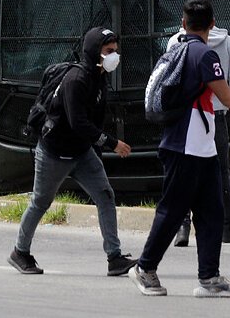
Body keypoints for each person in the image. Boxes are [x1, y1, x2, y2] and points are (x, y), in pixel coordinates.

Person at [130, 0, 230, 298]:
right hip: (185, 146)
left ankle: (209, 278)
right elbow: (228, 98)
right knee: (172, 211)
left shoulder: (179, 48)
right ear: (212, 23)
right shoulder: (204, 55)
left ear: (183, 23)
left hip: (201, 146)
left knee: (211, 211)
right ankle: (144, 268)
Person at [7, 27, 137, 277]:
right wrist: (112, 143)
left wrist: (96, 149)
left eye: (116, 51)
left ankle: (114, 257)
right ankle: (20, 252)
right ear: (94, 51)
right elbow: (78, 122)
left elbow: (93, 122)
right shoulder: (76, 80)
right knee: (40, 202)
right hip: (55, 152)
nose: (114, 56)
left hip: (82, 151)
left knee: (105, 196)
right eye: (109, 51)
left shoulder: (99, 77)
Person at [166, 25, 230, 246]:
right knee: (221, 170)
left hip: (184, 116)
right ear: (211, 22)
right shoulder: (225, 41)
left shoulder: (175, 42)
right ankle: (227, 227)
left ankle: (182, 227)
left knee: (183, 170)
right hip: (217, 114)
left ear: (184, 21)